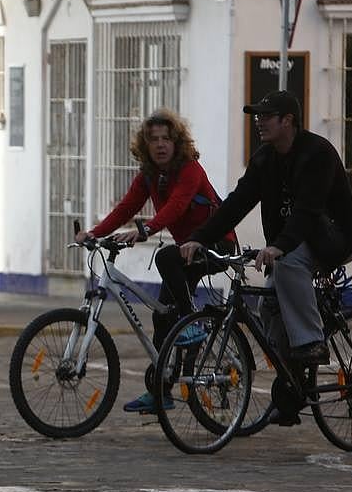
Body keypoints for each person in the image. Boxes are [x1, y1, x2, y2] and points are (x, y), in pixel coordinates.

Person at [181, 89, 352, 419]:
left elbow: (308, 211)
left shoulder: (317, 153)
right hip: (296, 239)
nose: (259, 123)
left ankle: (312, 341)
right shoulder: (265, 159)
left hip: (337, 236)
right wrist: (200, 237)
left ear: (288, 121)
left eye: (266, 117)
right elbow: (236, 204)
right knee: (268, 306)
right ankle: (293, 386)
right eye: (257, 117)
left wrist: (279, 246)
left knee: (288, 263)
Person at [78, 109, 237, 415]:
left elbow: (177, 206)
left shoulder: (190, 169)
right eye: (154, 140)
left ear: (177, 143)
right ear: (145, 145)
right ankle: (160, 392)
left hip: (215, 245)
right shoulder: (149, 177)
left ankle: (190, 327)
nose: (161, 145)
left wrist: (146, 230)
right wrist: (93, 233)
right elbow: (125, 208)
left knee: (165, 257)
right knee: (162, 317)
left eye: (167, 138)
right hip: (185, 254)